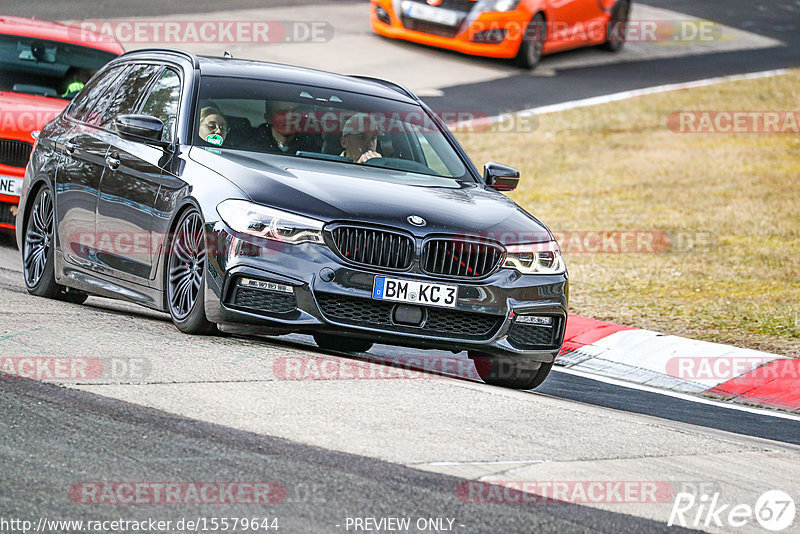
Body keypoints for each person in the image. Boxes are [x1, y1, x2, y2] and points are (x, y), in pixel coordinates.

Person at [253, 101, 319, 154]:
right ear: (268, 118)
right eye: (282, 113)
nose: (290, 118)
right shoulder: (251, 148)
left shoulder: (313, 148)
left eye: (294, 112)